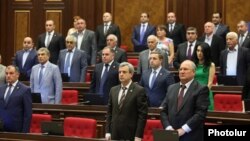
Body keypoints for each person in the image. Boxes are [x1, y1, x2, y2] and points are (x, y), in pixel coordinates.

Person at [160, 60, 209, 141]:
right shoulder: (171, 88)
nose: (182, 71)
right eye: (180, 69)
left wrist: (183, 129)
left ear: (193, 72)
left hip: (191, 135)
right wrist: (168, 127)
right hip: (171, 135)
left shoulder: (201, 89)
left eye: (185, 69)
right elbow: (163, 110)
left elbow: (200, 113)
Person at [105, 62, 148, 141]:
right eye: (119, 72)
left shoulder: (139, 90)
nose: (121, 74)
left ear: (131, 74)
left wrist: (138, 135)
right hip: (114, 133)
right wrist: (108, 131)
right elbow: (109, 112)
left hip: (130, 134)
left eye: (124, 72)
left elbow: (142, 116)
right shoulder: (113, 90)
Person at [0, 65, 32, 133]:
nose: (8, 75)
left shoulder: (25, 90)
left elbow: (27, 114)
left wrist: (24, 133)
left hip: (16, 130)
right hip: (1, 129)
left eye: (11, 73)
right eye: (6, 73)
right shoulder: (1, 89)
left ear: (17, 75)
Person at [193, 43, 215, 110]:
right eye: (198, 50)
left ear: (206, 52)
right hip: (194, 92)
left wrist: (203, 94)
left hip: (205, 93)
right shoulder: (193, 64)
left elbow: (210, 83)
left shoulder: (211, 65)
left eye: (202, 51)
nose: (199, 53)